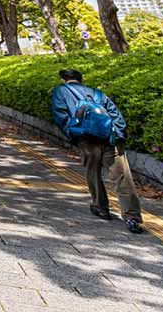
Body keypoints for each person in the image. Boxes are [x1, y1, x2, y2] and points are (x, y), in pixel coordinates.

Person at [51, 68, 143, 234]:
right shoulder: (96, 93)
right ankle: (132, 217)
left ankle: (101, 207)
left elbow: (60, 115)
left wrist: (73, 135)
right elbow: (115, 115)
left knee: (93, 172)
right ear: (81, 79)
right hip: (109, 138)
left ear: (64, 80)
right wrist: (118, 135)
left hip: (86, 139)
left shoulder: (61, 91)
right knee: (122, 177)